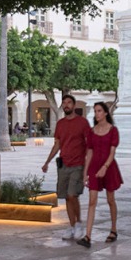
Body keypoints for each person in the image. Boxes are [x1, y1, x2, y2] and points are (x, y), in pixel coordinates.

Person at [41, 94, 90, 242]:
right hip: (64, 165)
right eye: (64, 103)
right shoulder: (61, 124)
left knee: (72, 195)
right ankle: (72, 225)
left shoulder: (83, 123)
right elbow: (57, 144)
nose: (66, 105)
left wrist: (88, 167)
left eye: (69, 102)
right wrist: (47, 162)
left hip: (78, 164)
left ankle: (79, 222)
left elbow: (89, 145)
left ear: (74, 106)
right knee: (66, 198)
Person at [78, 101, 122, 246]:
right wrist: (85, 173)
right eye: (95, 111)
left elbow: (112, 151)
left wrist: (105, 167)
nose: (96, 114)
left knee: (110, 199)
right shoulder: (91, 131)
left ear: (105, 113)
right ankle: (87, 236)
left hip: (109, 167)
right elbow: (89, 152)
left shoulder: (113, 130)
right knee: (92, 201)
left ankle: (113, 229)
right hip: (94, 167)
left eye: (99, 111)